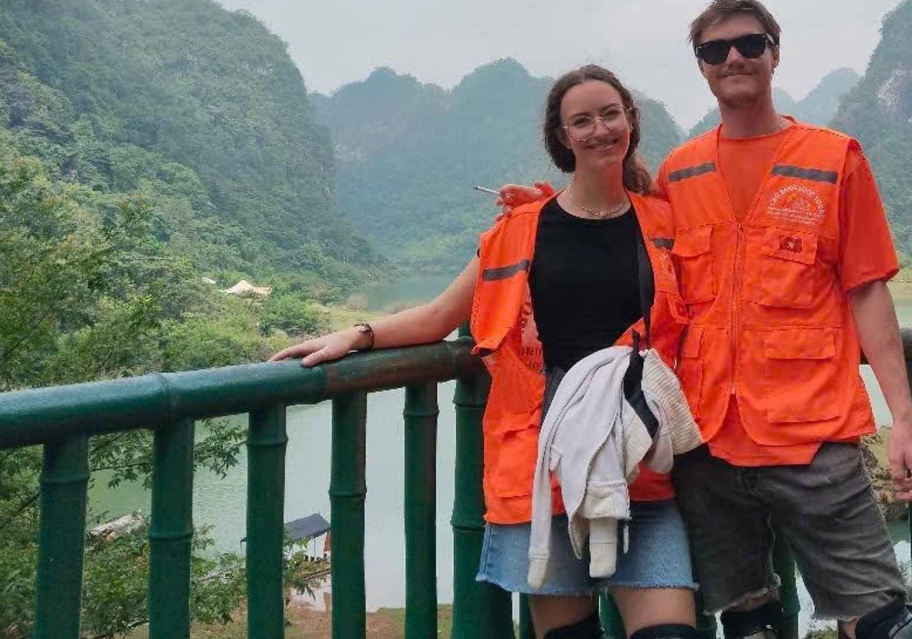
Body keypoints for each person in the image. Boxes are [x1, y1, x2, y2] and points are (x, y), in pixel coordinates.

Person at [504, 0, 912, 639]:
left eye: (749, 43)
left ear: (774, 54)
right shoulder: (682, 171)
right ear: (701, 65)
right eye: (715, 49)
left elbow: (868, 290)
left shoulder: (832, 159)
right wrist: (543, 207)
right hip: (704, 444)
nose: (733, 57)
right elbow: (611, 211)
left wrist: (904, 421)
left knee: (882, 622)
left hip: (811, 434)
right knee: (747, 621)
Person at [271, 65, 698, 639]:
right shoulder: (519, 231)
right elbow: (439, 316)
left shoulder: (665, 222)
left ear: (630, 120)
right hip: (542, 464)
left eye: (610, 114)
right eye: (582, 121)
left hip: (639, 463)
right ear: (563, 137)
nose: (599, 130)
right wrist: (359, 334)